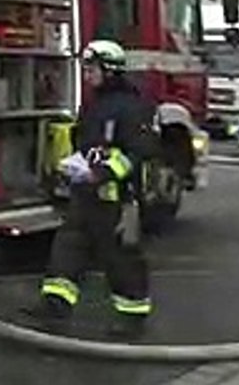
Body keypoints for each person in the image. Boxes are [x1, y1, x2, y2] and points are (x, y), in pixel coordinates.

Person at [36, 39, 158, 339]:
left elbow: (139, 151)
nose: (87, 74)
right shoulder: (96, 103)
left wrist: (103, 174)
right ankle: (55, 309)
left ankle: (131, 317)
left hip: (118, 199)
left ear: (110, 70)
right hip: (86, 193)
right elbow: (89, 145)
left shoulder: (133, 107)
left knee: (121, 259)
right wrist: (73, 167)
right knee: (67, 249)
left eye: (91, 68)